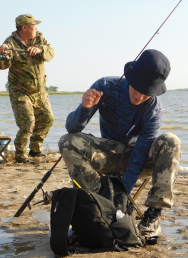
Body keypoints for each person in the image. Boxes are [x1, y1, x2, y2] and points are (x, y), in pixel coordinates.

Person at [58, 49, 181, 237]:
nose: (139, 97)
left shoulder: (154, 110)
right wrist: (85, 108)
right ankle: (97, 201)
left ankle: (153, 215)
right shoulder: (106, 86)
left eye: (146, 93)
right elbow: (72, 128)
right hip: (109, 153)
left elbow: (140, 155)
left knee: (171, 141)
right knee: (67, 141)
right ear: (129, 77)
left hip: (138, 158)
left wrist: (121, 195)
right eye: (137, 88)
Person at [0, 14, 55, 163]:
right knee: (28, 123)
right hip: (20, 92)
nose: (36, 28)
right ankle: (21, 155)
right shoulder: (9, 43)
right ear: (24, 27)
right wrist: (5, 55)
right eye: (33, 26)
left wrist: (40, 49)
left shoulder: (39, 38)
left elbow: (51, 52)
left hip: (40, 91)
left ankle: (35, 150)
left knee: (48, 119)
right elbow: (1, 66)